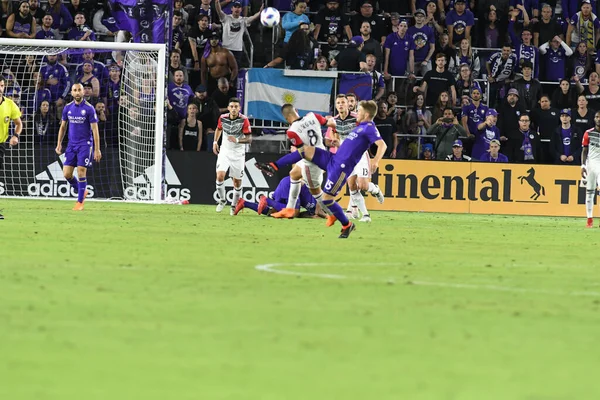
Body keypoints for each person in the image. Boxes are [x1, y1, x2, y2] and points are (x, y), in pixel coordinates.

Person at [257, 100, 387, 238]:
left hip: (341, 168)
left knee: (326, 199)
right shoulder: (359, 126)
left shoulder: (369, 127)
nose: (357, 113)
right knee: (305, 150)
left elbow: (382, 145)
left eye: (359, 111)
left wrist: (375, 161)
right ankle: (273, 166)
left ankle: (347, 225)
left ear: (366, 114)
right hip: (332, 158)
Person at [256, 105, 336, 219]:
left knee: (316, 191)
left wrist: (276, 164)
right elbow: (329, 123)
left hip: (312, 160)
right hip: (321, 152)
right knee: (294, 174)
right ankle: (289, 209)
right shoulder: (312, 116)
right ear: (296, 111)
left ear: (286, 118)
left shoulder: (292, 131)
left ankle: (335, 214)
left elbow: (302, 152)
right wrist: (334, 128)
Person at [55, 83, 101, 211]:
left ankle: (80, 202)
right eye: (75, 90)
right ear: (71, 92)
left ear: (83, 92)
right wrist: (59, 143)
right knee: (66, 174)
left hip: (85, 145)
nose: (77, 92)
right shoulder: (68, 108)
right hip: (71, 145)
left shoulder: (89, 108)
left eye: (79, 90)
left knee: (81, 171)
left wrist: (97, 149)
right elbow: (63, 127)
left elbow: (95, 130)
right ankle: (82, 191)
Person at [213, 98, 251, 215]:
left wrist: (237, 140)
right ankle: (222, 200)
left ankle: (234, 205)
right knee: (220, 176)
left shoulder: (244, 120)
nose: (234, 109)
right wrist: (215, 142)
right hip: (225, 151)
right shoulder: (222, 118)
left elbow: (249, 139)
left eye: (236, 107)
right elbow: (218, 129)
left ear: (239, 108)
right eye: (232, 106)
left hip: (238, 153)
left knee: (237, 182)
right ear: (228, 108)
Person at [233, 176, 325, 219]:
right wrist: (327, 216)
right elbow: (318, 212)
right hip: (291, 185)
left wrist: (312, 217)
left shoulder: (313, 209)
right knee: (294, 212)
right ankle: (266, 200)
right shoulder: (320, 198)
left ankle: (244, 203)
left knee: (273, 212)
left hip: (288, 185)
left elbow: (302, 215)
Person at [0, 75, 23, 181]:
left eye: (2, 86)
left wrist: (15, 136)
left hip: (1, 144)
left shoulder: (10, 104)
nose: (0, 88)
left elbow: (19, 123)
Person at [583, 110, 600, 227]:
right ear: (594, 119)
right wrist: (583, 166)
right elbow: (584, 151)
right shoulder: (588, 133)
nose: (599, 119)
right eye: (597, 117)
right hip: (590, 164)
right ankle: (589, 218)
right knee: (589, 192)